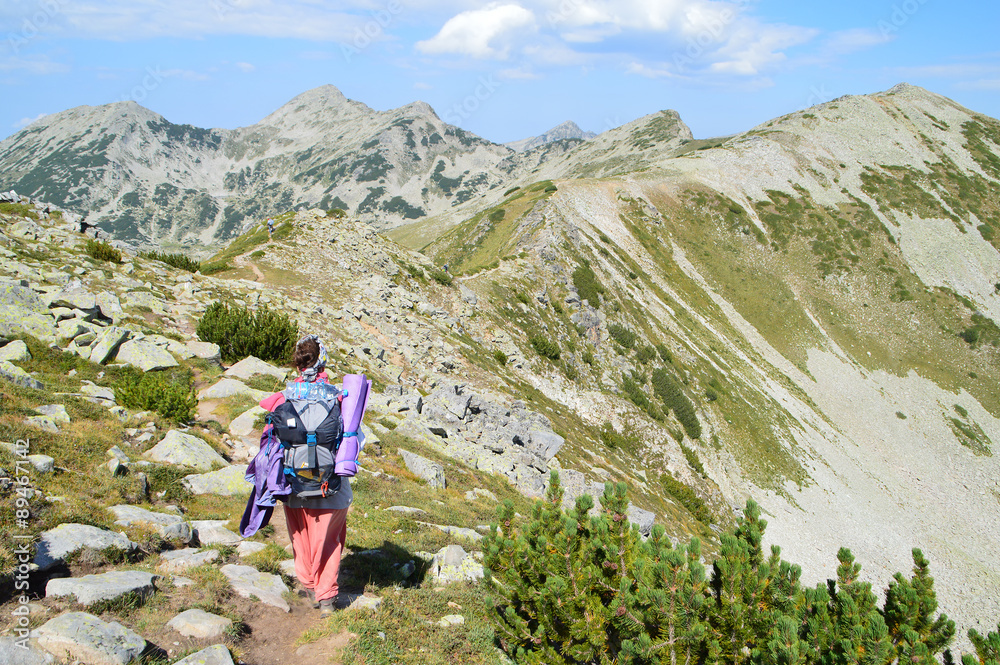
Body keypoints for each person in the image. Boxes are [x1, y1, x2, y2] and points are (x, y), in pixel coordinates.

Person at [258, 335, 351, 616]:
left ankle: (310, 585)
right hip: (330, 486)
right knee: (329, 540)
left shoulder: (281, 398)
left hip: (294, 484)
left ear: (298, 363)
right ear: (323, 359)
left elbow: (269, 441)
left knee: (301, 537)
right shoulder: (339, 397)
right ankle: (326, 599)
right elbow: (355, 438)